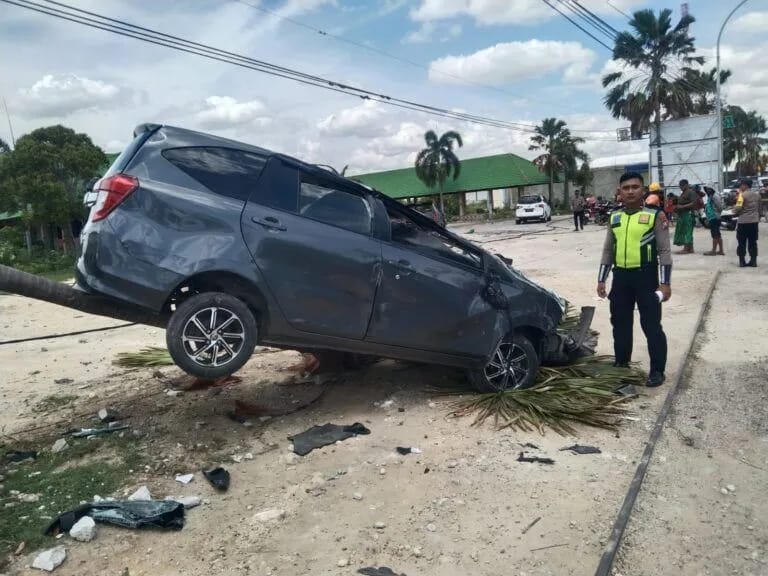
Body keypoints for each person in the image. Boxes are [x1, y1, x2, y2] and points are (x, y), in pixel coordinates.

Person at [597, 171, 672, 388]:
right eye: (626, 188)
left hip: (646, 278)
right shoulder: (615, 217)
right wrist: (602, 279)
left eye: (635, 187)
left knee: (651, 325)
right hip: (620, 278)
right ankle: (622, 365)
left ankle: (657, 370)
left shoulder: (655, 216)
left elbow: (664, 251)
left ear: (644, 190)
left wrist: (665, 283)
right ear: (619, 192)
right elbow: (607, 250)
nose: (630, 191)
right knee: (620, 324)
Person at [733, 177, 760, 267]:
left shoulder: (742, 195)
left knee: (742, 242)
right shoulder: (757, 195)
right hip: (754, 222)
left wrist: (734, 210)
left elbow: (738, 208)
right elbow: (759, 208)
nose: (740, 186)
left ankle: (742, 261)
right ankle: (753, 261)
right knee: (753, 242)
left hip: (743, 222)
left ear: (745, 185)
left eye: (741, 185)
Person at [673, 179, 696, 253]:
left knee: (687, 231)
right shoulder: (683, 193)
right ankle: (691, 248)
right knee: (687, 231)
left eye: (681, 186)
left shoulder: (690, 192)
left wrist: (682, 207)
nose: (680, 187)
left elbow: (693, 203)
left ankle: (686, 249)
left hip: (688, 214)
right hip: (683, 214)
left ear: (686, 185)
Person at [703, 187, 724, 256]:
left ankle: (713, 251)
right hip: (712, 217)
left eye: (709, 189)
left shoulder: (715, 196)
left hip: (714, 217)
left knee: (715, 234)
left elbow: (720, 207)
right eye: (707, 189)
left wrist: (716, 213)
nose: (707, 190)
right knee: (717, 234)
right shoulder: (711, 196)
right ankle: (721, 250)